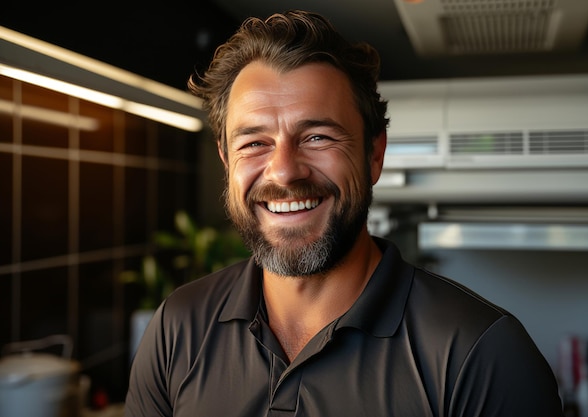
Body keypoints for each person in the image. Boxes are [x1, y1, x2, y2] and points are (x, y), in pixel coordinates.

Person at [125, 10, 565, 417]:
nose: (284, 171)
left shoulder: (481, 354)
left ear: (375, 154)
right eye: (253, 143)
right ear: (226, 161)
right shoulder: (177, 328)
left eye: (317, 137)